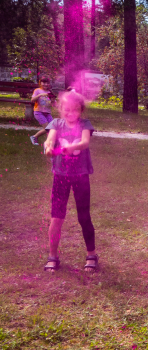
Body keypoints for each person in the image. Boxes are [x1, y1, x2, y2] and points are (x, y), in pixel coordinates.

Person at [42, 89, 98, 272]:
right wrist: (48, 146)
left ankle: (91, 255)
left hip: (80, 176)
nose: (70, 113)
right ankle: (52, 256)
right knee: (56, 218)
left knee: (84, 217)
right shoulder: (56, 124)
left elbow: (84, 143)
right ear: (60, 108)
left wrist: (71, 146)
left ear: (81, 110)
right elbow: (49, 140)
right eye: (66, 109)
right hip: (60, 177)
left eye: (74, 109)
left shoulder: (85, 124)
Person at [30, 75, 56, 145]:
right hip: (38, 112)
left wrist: (53, 100)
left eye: (47, 83)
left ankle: (51, 142)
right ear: (40, 83)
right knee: (48, 128)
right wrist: (40, 95)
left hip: (47, 113)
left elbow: (54, 104)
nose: (45, 84)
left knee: (53, 128)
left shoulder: (50, 92)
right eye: (43, 82)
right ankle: (34, 137)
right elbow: (32, 100)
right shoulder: (37, 90)